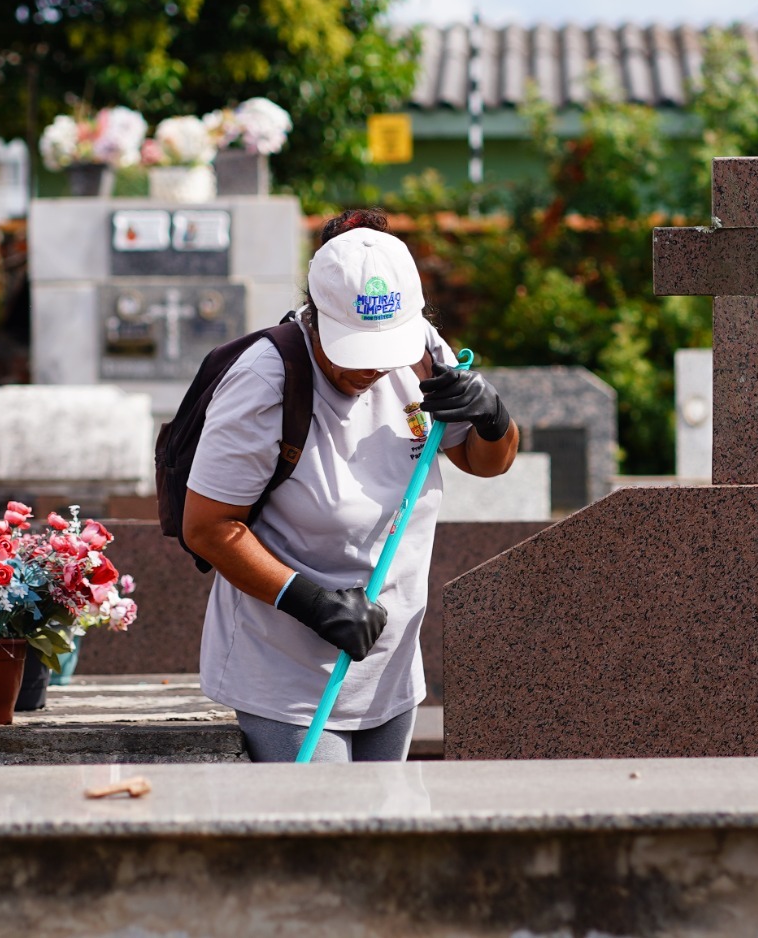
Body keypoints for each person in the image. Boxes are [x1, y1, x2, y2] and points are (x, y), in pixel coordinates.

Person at [183, 210, 519, 762]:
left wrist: (493, 417)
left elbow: (488, 462)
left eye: (384, 351)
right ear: (316, 318)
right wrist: (311, 602)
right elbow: (209, 526)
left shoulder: (418, 350)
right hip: (289, 677)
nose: (373, 369)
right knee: (322, 839)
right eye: (354, 351)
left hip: (390, 671)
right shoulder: (266, 380)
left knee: (381, 839)